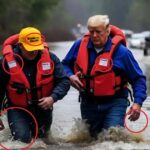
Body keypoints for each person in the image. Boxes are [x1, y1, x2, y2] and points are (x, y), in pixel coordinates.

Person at [62, 15, 147, 138]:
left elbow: (138, 78)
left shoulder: (122, 52)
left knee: (113, 138)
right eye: (91, 32)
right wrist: (70, 76)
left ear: (107, 31)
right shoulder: (79, 45)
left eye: (98, 32)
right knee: (91, 140)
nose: (94, 35)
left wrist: (137, 103)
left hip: (115, 102)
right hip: (88, 102)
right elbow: (64, 65)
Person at [0, 27, 70, 143]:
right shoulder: (6, 62)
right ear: (20, 45)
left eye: (36, 48)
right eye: (29, 49)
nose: (33, 52)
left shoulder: (51, 58)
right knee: (22, 140)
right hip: (18, 109)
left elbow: (64, 81)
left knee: (43, 141)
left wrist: (52, 98)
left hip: (44, 108)